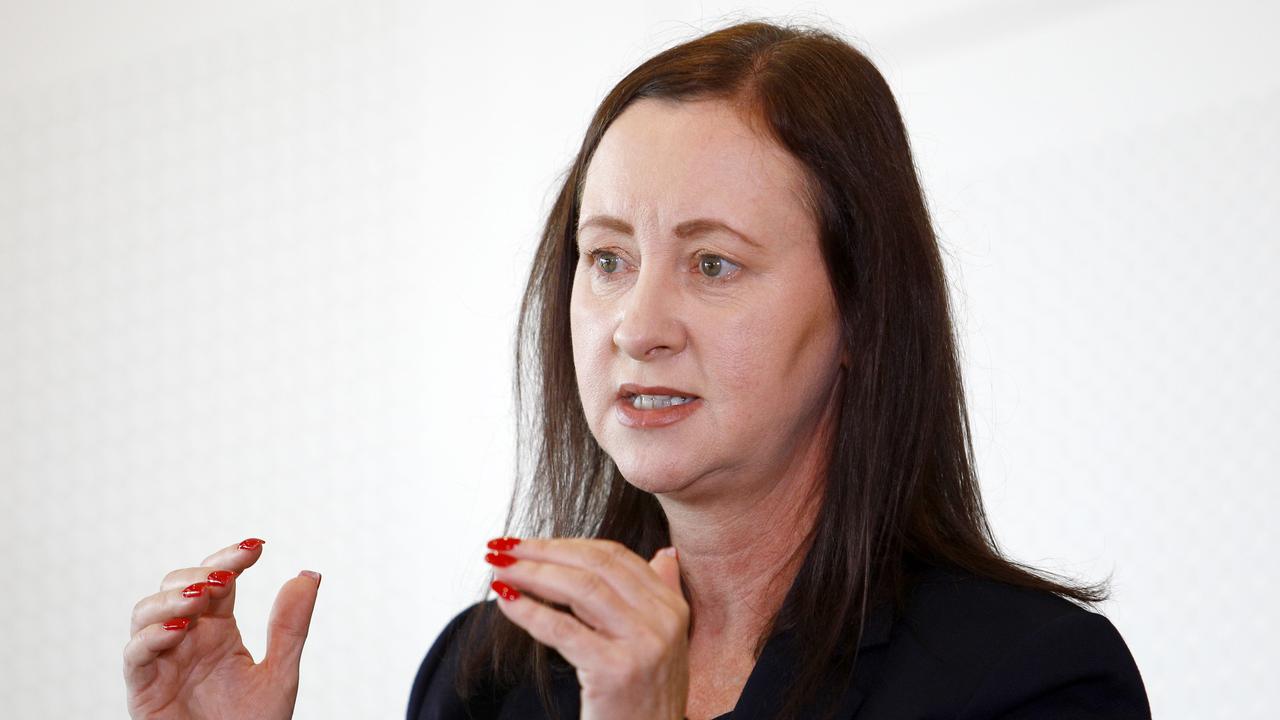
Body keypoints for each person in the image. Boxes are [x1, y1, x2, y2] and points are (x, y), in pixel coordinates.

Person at [123, 19, 1151, 720]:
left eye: (712, 264)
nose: (636, 325)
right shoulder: (491, 671)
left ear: (862, 315)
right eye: (607, 259)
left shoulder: (1032, 681)